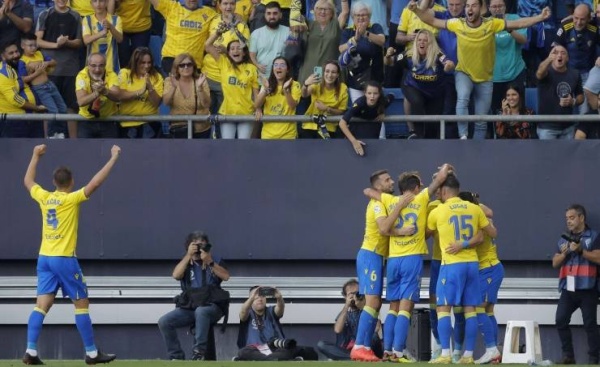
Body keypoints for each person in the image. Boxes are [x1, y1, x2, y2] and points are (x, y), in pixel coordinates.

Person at [21, 143, 120, 365]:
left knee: (41, 305)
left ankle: (31, 351)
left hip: (44, 258)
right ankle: (92, 353)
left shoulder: (45, 197)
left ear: (54, 183)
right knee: (81, 303)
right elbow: (95, 183)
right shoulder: (70, 199)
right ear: (71, 182)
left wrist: (35, 155)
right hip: (64, 259)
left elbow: (28, 182)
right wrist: (113, 158)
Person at [408, 0, 551, 139]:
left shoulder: (492, 23)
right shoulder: (457, 24)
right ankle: (463, 135)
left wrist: (540, 17)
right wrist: (416, 10)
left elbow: (519, 23)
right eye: (468, 6)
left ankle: (477, 148)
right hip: (464, 72)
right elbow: (431, 21)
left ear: (481, 8)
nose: (470, 9)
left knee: (481, 120)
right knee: (463, 97)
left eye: (474, 5)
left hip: (485, 77)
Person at [365, 165, 451, 362]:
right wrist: (445, 168)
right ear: (415, 188)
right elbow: (438, 182)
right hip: (412, 260)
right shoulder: (420, 199)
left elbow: (368, 191)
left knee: (393, 307)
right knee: (405, 307)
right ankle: (398, 351)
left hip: (393, 260)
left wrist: (374, 191)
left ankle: (387, 350)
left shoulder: (390, 199)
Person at [426, 174, 497, 364]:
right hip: (472, 264)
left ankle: (446, 354)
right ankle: (467, 355)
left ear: (443, 190)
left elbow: (427, 233)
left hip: (450, 264)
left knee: (443, 308)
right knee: (470, 309)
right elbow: (488, 232)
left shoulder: (438, 211)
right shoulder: (475, 209)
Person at [348, 170, 416, 362]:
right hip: (370, 255)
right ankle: (360, 346)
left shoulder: (381, 199)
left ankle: (364, 347)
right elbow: (383, 228)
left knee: (375, 303)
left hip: (376, 257)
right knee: (372, 302)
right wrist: (402, 230)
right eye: (387, 180)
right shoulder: (378, 204)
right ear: (378, 186)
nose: (391, 182)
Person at [158, 231, 230, 361]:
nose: (198, 246)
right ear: (189, 246)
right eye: (195, 243)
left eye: (202, 243)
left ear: (208, 246)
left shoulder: (216, 260)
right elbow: (176, 275)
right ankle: (176, 357)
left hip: (212, 306)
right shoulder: (186, 262)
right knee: (164, 322)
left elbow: (226, 276)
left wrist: (210, 262)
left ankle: (199, 353)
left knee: (201, 311)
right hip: (190, 307)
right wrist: (188, 255)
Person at [457, 191, 503, 364]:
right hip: (489, 268)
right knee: (489, 310)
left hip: (489, 268)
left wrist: (462, 244)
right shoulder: (480, 214)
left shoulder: (476, 217)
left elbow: (485, 235)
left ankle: (491, 349)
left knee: (478, 308)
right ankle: (494, 353)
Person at [552, 204, 600, 365]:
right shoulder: (563, 238)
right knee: (560, 320)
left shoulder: (594, 236)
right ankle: (568, 356)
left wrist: (580, 251)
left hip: (588, 287)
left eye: (572, 218)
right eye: (567, 219)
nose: (569, 222)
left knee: (590, 324)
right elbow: (555, 263)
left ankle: (594, 358)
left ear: (581, 218)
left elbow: (599, 258)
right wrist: (566, 252)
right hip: (569, 288)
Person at [384, 30, 455, 139]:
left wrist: (448, 66)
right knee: (417, 101)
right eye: (419, 40)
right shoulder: (409, 54)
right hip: (413, 86)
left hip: (435, 92)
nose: (422, 43)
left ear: (430, 43)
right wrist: (388, 56)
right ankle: (417, 134)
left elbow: (449, 63)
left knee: (433, 125)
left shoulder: (438, 54)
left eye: (425, 41)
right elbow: (389, 62)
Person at [35, 0, 83, 139]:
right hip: (49, 70)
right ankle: (48, 141)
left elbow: (79, 41)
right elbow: (38, 41)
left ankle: (73, 143)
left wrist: (67, 42)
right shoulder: (45, 14)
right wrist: (57, 45)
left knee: (71, 107)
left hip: (70, 69)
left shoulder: (76, 16)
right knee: (48, 106)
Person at [236, 286, 319, 361]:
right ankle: (282, 360)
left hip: (276, 348)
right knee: (243, 352)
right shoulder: (248, 313)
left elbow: (280, 308)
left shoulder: (271, 311)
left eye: (262, 296)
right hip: (255, 349)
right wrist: (251, 298)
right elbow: (243, 312)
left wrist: (279, 298)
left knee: (309, 352)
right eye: (255, 297)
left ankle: (266, 360)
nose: (259, 299)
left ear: (265, 299)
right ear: (250, 299)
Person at [205, 36, 259, 139]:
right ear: (228, 53)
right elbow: (208, 46)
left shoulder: (251, 68)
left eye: (239, 48)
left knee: (243, 146)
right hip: (227, 113)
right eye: (232, 48)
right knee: (228, 145)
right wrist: (218, 33)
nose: (235, 50)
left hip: (246, 113)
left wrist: (258, 109)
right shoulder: (224, 63)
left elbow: (256, 93)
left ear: (244, 52)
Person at [317, 279, 383, 360]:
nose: (355, 296)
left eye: (357, 293)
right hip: (347, 351)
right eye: (351, 294)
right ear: (345, 296)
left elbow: (376, 330)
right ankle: (355, 357)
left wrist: (362, 306)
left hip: (368, 348)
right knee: (322, 345)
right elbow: (337, 330)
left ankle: (358, 356)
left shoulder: (369, 310)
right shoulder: (344, 313)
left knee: (374, 336)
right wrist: (346, 306)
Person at [203, 0, 250, 114]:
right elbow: (204, 44)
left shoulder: (241, 25)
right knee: (205, 114)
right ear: (219, 5)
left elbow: (245, 50)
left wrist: (226, 51)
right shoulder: (212, 20)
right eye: (225, 3)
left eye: (232, 3)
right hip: (208, 74)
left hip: (227, 76)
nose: (228, 7)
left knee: (222, 116)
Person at [18, 33, 67, 139]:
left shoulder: (40, 53)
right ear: (23, 46)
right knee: (53, 110)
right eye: (30, 45)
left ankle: (61, 132)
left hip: (49, 84)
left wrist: (47, 63)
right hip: (39, 88)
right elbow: (23, 80)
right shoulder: (22, 61)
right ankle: (51, 134)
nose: (33, 48)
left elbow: (54, 62)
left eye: (35, 45)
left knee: (63, 108)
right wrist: (37, 72)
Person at [150, 0, 216, 74]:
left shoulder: (210, 13)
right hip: (171, 59)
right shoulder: (172, 7)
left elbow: (225, 16)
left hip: (194, 63)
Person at [552, 4, 597, 114]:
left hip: (587, 74)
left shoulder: (595, 29)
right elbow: (555, 49)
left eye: (582, 19)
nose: (578, 22)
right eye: (576, 18)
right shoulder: (565, 27)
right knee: (566, 108)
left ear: (588, 18)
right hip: (568, 74)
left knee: (584, 111)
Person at [338, 1, 384, 102]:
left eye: (364, 15)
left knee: (374, 111)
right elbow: (341, 48)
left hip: (375, 78)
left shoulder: (375, 27)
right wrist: (355, 39)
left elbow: (381, 40)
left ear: (369, 16)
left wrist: (366, 33)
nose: (361, 17)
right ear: (353, 17)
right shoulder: (348, 31)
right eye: (357, 15)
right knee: (358, 110)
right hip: (355, 80)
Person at [0, 40, 46, 138]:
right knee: (17, 152)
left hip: (27, 119)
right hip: (13, 122)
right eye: (11, 53)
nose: (16, 55)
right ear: (3, 56)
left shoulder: (14, 68)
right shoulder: (4, 72)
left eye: (16, 51)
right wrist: (37, 108)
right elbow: (15, 99)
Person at [535, 45, 583, 139]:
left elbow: (581, 97)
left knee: (568, 154)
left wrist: (572, 101)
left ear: (567, 58)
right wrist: (548, 59)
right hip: (547, 128)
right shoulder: (546, 72)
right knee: (548, 154)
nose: (559, 55)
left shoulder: (575, 74)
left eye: (563, 53)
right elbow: (539, 73)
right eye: (555, 53)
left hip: (568, 127)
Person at [489, 0, 527, 120]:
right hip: (494, 76)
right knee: (498, 112)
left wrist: (508, 28)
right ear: (489, 8)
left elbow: (523, 40)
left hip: (515, 73)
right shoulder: (485, 23)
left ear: (505, 7)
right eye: (494, 6)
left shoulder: (515, 19)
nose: (497, 9)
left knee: (518, 111)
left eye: (500, 6)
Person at [296, 0, 349, 85]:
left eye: (326, 9)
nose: (322, 12)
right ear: (314, 11)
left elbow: (345, 12)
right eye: (319, 9)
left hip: (330, 74)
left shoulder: (336, 25)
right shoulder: (308, 24)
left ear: (332, 12)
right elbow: (295, 14)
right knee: (306, 94)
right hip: (308, 71)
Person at [117, 46, 164, 138]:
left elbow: (156, 103)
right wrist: (140, 91)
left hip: (150, 124)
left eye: (149, 62)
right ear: (135, 62)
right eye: (142, 63)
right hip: (128, 125)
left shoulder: (157, 77)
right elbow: (120, 96)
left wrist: (150, 87)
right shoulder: (125, 73)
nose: (147, 66)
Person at [162, 53, 212, 139]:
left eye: (189, 64)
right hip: (179, 128)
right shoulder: (169, 81)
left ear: (194, 67)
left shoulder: (201, 80)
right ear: (176, 68)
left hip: (201, 129)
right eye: (182, 65)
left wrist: (200, 88)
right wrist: (174, 87)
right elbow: (166, 102)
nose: (186, 67)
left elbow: (207, 104)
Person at [75, 52, 121, 138]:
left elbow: (118, 97)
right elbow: (81, 102)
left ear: (105, 65)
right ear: (88, 65)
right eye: (93, 66)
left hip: (108, 120)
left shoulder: (111, 75)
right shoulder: (81, 76)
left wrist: (105, 91)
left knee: (110, 150)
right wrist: (96, 93)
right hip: (87, 121)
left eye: (101, 65)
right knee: (85, 151)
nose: (97, 70)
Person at [254, 57, 301, 139]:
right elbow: (257, 104)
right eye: (275, 65)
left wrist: (286, 90)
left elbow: (292, 105)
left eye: (282, 65)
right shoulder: (267, 84)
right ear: (273, 69)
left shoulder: (295, 84)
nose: (278, 67)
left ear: (287, 70)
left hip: (288, 134)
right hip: (268, 134)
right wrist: (265, 90)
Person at [338, 81, 389, 156]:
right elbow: (342, 123)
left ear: (379, 94)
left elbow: (391, 96)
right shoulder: (359, 103)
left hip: (373, 135)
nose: (372, 96)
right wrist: (354, 142)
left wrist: (383, 113)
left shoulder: (382, 101)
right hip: (356, 134)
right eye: (369, 93)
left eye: (375, 93)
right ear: (365, 93)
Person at [300, 60, 348, 139]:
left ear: (337, 75)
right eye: (327, 71)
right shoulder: (317, 84)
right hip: (310, 126)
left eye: (333, 72)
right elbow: (304, 95)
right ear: (323, 73)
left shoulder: (343, 88)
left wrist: (327, 108)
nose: (329, 75)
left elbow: (341, 111)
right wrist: (305, 84)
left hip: (329, 128)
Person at [249, 1, 290, 80]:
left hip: (282, 80)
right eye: (269, 13)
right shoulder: (256, 34)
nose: (272, 16)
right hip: (261, 80)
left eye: (275, 13)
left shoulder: (289, 32)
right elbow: (252, 55)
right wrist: (257, 65)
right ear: (264, 15)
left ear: (280, 15)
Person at [82, 0, 123, 74]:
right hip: (93, 68)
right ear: (91, 4)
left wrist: (111, 27)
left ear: (107, 2)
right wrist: (102, 33)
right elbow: (86, 40)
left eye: (101, 1)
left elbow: (120, 39)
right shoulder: (87, 19)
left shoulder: (116, 19)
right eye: (95, 1)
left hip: (112, 68)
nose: (98, 4)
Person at [109, 0, 152, 68]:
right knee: (123, 60)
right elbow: (110, 15)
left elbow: (158, 5)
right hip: (121, 29)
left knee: (140, 60)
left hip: (141, 28)